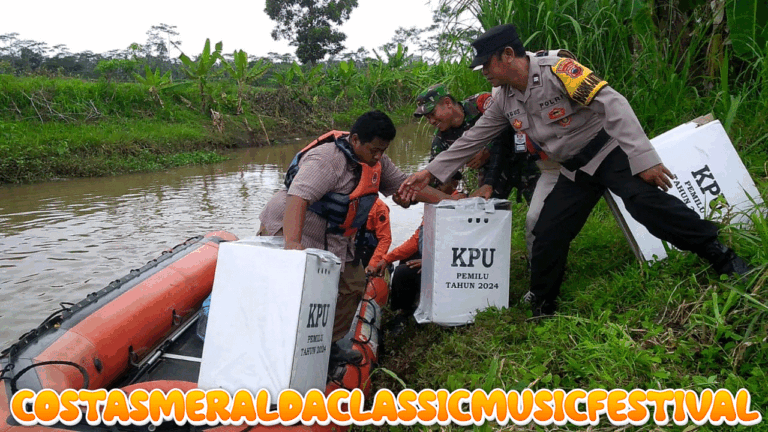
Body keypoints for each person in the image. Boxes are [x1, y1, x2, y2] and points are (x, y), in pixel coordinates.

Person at [398, 24, 752, 317]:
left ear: (508, 55)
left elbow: (612, 103)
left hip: (608, 151)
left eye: (486, 64)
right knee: (549, 230)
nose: (484, 72)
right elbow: (474, 138)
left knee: (645, 204)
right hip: (573, 169)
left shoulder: (557, 69)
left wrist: (644, 158)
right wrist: (429, 173)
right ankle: (543, 300)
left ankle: (720, 255)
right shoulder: (503, 98)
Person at [258, 110, 453, 370]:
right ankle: (276, 351)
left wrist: (454, 201)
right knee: (292, 292)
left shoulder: (376, 162)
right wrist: (293, 246)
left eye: (383, 150)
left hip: (335, 237)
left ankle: (330, 347)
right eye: (374, 150)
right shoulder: (327, 160)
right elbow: (298, 197)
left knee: (352, 285)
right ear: (356, 140)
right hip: (294, 227)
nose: (378, 156)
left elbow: (408, 188)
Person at [414, 82, 559, 258]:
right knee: (483, 217)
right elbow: (439, 181)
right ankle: (489, 265)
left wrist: (488, 150)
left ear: (447, 103)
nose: (431, 121)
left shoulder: (481, 104)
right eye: (427, 118)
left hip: (525, 162)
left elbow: (510, 128)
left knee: (542, 216)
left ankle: (544, 261)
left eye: (432, 114)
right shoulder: (441, 141)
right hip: (493, 175)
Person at [353, 197, 392, 274]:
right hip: (348, 249)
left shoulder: (379, 207)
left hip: (368, 252)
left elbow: (385, 239)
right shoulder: (348, 200)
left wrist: (373, 263)